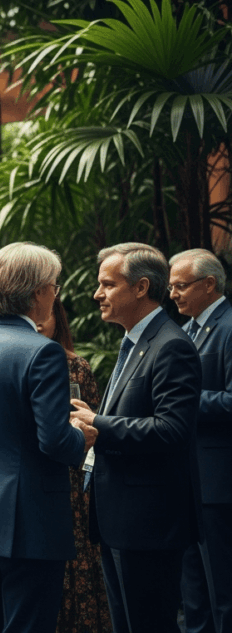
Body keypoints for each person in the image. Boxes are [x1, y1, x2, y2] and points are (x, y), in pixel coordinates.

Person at [0, 243, 93, 633]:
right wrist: (83, 436)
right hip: (29, 519)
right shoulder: (42, 352)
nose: (55, 295)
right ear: (37, 293)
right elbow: (54, 441)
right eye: (54, 286)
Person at [70, 242, 202, 633]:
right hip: (119, 519)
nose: (97, 294)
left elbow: (173, 430)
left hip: (149, 523)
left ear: (141, 287)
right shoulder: (134, 341)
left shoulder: (172, 345)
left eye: (107, 285)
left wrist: (100, 424)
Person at [35, 297, 110, 633]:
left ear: (58, 318)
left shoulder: (76, 365)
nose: (38, 322)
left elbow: (95, 420)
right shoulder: (24, 361)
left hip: (75, 464)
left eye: (46, 315)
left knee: (77, 548)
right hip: (40, 465)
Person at [170, 248, 232, 633]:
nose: (173, 294)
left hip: (218, 481)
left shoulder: (228, 326)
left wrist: (180, 403)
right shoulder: (188, 328)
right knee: (193, 585)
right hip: (187, 478)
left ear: (209, 284)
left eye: (181, 286)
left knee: (222, 585)